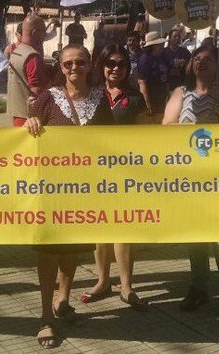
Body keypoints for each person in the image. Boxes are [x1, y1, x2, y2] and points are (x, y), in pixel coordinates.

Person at [25, 44, 113, 348]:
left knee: (73, 249)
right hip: (52, 190)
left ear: (90, 64)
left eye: (80, 62)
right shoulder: (48, 98)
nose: (74, 68)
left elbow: (113, 140)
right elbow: (27, 135)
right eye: (68, 64)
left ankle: (63, 301)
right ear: (60, 68)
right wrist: (31, 123)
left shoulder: (101, 100)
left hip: (86, 190)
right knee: (49, 252)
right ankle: (45, 315)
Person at [163, 45, 219, 322]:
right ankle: (198, 288)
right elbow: (166, 126)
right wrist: (194, 130)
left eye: (208, 59)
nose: (201, 63)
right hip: (190, 177)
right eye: (197, 59)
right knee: (195, 235)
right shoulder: (181, 92)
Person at [80, 44, 149, 311]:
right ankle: (102, 281)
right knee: (100, 227)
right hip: (95, 171)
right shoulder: (91, 95)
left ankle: (126, 285)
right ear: (102, 66)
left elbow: (147, 137)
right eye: (110, 63)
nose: (115, 68)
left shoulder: (135, 98)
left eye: (121, 64)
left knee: (123, 227)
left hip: (125, 171)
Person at [7, 14, 52, 127]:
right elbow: (36, 89)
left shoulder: (17, 51)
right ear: (35, 33)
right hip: (31, 119)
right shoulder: (32, 56)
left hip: (17, 112)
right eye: (43, 31)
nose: (45, 34)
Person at [136, 31, 168, 122]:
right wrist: (147, 104)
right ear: (154, 46)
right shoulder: (145, 59)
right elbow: (142, 82)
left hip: (162, 97)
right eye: (159, 44)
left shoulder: (161, 57)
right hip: (152, 98)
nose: (162, 46)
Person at [162, 27, 192, 91]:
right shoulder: (163, 52)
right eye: (175, 36)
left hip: (182, 84)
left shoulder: (184, 51)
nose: (177, 38)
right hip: (167, 85)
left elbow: (192, 62)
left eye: (179, 36)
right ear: (170, 38)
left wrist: (185, 62)